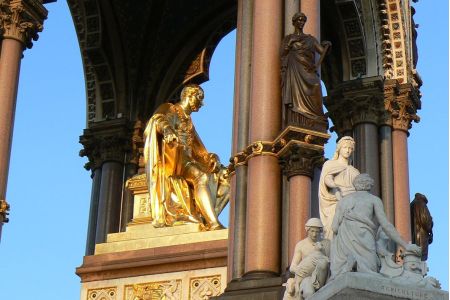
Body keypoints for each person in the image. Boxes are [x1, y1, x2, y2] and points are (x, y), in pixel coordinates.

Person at [143, 84, 229, 230]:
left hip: (188, 161)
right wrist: (167, 129)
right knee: (200, 176)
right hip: (174, 159)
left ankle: (208, 216)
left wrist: (214, 158)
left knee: (227, 177)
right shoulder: (171, 109)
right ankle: (213, 223)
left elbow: (199, 150)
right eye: (199, 98)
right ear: (189, 95)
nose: (201, 103)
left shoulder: (189, 122)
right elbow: (158, 119)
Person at [330, 174, 421, 279]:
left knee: (350, 276)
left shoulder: (343, 201)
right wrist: (405, 245)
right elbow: (385, 225)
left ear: (355, 185)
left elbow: (334, 228)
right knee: (370, 274)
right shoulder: (374, 200)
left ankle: (350, 263)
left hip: (345, 238)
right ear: (369, 185)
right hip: (365, 237)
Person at [281, 12, 331, 127]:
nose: (301, 22)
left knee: (316, 85)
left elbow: (322, 52)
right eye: (299, 20)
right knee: (295, 92)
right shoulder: (289, 38)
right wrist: (289, 43)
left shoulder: (310, 39)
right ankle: (297, 118)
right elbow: (282, 54)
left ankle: (316, 117)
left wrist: (327, 45)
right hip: (294, 69)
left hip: (308, 69)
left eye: (303, 20)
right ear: (294, 22)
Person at [318, 136, 360, 239]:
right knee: (334, 231)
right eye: (345, 147)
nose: (348, 150)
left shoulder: (355, 171)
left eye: (350, 148)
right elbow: (327, 178)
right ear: (339, 149)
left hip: (352, 204)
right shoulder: (330, 164)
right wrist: (336, 187)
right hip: (335, 201)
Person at [287, 218, 330, 300]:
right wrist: (302, 270)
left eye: (317, 232)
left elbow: (332, 262)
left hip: (323, 276)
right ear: (307, 230)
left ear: (320, 231)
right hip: (307, 277)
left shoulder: (327, 244)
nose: (314, 234)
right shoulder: (301, 245)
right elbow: (292, 267)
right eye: (312, 231)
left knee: (323, 263)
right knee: (309, 292)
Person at [410, 193, 433, 260]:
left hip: (412, 236)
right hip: (420, 235)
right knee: (420, 258)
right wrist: (431, 223)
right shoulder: (421, 203)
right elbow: (425, 219)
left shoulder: (411, 204)